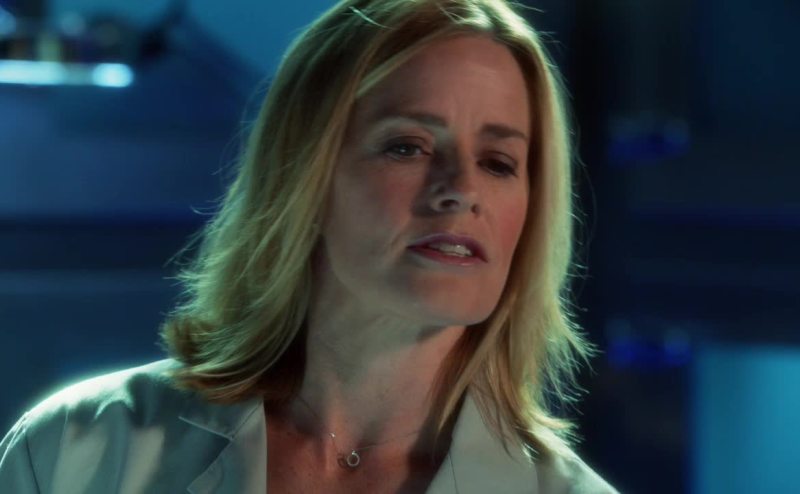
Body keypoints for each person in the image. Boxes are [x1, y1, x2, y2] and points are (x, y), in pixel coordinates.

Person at [0, 0, 619, 492]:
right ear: (306, 174)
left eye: (498, 162)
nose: (460, 190)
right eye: (408, 146)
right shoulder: (80, 449)